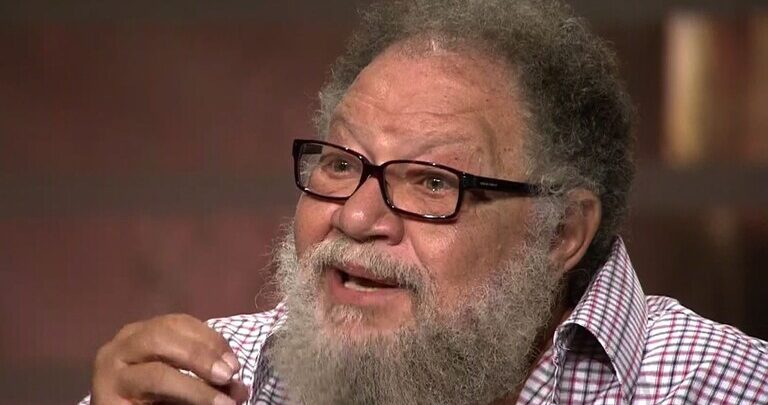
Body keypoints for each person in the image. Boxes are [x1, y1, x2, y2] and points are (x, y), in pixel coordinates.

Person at [79, 0, 768, 404]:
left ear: (561, 231)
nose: (356, 217)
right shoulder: (199, 381)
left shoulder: (724, 386)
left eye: (433, 182)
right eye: (341, 163)